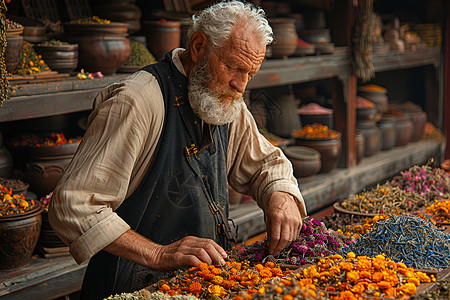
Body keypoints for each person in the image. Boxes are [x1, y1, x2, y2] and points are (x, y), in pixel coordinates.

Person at [49, 1, 307, 299]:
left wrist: (280, 196)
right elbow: (74, 205)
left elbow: (265, 163)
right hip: (130, 287)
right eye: (234, 67)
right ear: (199, 46)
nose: (241, 85)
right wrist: (158, 254)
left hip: (196, 284)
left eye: (251, 73)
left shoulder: (225, 100)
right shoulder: (138, 101)